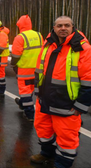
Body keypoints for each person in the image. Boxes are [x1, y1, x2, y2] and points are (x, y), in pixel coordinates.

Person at [31, 16, 91, 168]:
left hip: (67, 103)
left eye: (67, 25)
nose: (63, 28)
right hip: (45, 99)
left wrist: (81, 105)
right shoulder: (48, 43)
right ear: (54, 27)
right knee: (43, 129)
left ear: (73, 27)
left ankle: (62, 164)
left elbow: (88, 79)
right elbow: (39, 69)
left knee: (66, 137)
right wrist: (37, 93)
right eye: (59, 25)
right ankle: (47, 153)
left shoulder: (82, 47)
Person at [11, 15, 43, 121]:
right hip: (38, 69)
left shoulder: (20, 37)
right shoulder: (39, 35)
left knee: (25, 92)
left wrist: (13, 65)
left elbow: (15, 55)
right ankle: (22, 104)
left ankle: (29, 113)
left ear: (20, 25)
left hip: (24, 69)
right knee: (31, 90)